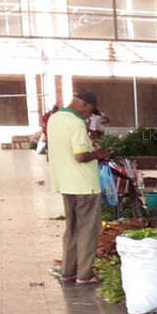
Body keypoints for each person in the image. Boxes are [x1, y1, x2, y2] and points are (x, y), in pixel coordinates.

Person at [48, 90, 108, 285]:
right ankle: (84, 274)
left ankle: (68, 271)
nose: (90, 116)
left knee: (72, 229)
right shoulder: (76, 123)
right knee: (88, 230)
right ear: (84, 105)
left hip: (65, 183)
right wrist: (99, 154)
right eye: (90, 111)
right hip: (84, 185)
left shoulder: (54, 118)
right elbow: (81, 155)